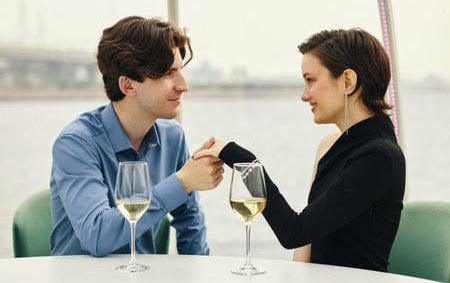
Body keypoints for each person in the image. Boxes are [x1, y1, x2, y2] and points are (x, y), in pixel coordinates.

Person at [194, 28, 406, 272]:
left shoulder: (379, 156)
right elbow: (306, 242)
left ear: (347, 81)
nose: (304, 95)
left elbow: (293, 232)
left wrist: (243, 161)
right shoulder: (330, 143)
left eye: (310, 80)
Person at [49, 16, 224, 257]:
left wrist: (197, 273)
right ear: (128, 86)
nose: (183, 85)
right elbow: (96, 237)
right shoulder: (75, 143)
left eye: (180, 71)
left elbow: (190, 222)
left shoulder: (173, 137)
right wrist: (182, 182)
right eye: (167, 74)